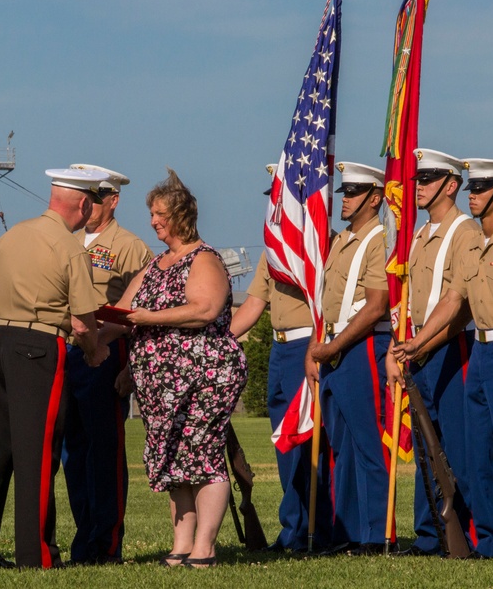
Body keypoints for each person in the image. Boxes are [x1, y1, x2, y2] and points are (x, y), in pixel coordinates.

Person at [391, 158, 493, 560]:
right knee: (481, 455)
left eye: (482, 188)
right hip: (481, 350)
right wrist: (418, 342)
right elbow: (453, 300)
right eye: (473, 188)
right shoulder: (476, 246)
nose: (474, 195)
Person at [0, 168, 111, 570]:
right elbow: (82, 319)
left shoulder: (12, 236)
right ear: (83, 204)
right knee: (39, 455)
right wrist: (94, 351)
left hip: (0, 342)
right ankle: (36, 554)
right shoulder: (70, 248)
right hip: (41, 347)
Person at [114, 168, 247, 569]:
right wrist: (85, 331)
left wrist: (148, 318)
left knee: (202, 456)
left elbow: (203, 310)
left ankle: (204, 547)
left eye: (159, 214)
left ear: (180, 216)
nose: (153, 221)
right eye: (151, 213)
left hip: (204, 377)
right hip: (161, 385)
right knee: (173, 460)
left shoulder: (203, 259)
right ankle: (181, 543)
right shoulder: (157, 264)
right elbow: (123, 311)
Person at [229, 164, 332, 552]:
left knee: (311, 443)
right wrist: (218, 341)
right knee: (286, 444)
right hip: (279, 347)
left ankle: (315, 530)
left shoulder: (322, 243)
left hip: (309, 344)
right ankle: (293, 528)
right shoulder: (274, 249)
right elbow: (254, 303)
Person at [384, 149, 480, 556]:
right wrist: (396, 347)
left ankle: (467, 534)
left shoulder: (465, 233)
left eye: (428, 179)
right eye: (418, 180)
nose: (418, 187)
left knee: (455, 446)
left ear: (451, 184)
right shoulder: (420, 235)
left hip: (451, 346)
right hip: (417, 347)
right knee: (426, 444)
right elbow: (408, 302)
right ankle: (429, 536)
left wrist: (418, 345)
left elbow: (457, 301)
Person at [61, 163, 152, 565]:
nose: (91, 204)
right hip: (68, 351)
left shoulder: (130, 246)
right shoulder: (68, 241)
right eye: (87, 195)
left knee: (104, 452)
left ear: (113, 200)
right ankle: (85, 538)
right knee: (73, 453)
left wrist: (130, 367)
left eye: (98, 197)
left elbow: (142, 313)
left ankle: (106, 543)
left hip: (107, 352)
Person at [307, 162, 392, 556]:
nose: (345, 199)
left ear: (374, 198)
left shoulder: (379, 239)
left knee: (368, 442)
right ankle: (348, 531)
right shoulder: (341, 240)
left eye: (354, 192)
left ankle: (376, 533)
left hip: (360, 349)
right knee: (342, 445)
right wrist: (318, 346)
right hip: (334, 346)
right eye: (345, 191)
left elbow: (376, 306)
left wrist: (334, 345)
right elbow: (327, 301)